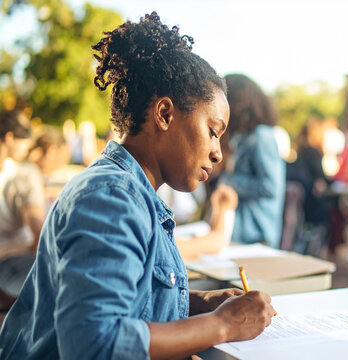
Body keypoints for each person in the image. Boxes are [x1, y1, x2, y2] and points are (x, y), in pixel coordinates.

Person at [0, 13, 275, 360]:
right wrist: (223, 326)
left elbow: (132, 296)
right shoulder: (111, 198)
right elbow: (94, 343)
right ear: (164, 114)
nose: (219, 153)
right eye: (213, 131)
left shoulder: (134, 196)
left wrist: (200, 304)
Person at [220, 74, 286, 249]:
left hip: (256, 235)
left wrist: (227, 181)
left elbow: (270, 186)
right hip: (241, 234)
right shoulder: (242, 138)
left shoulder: (262, 137)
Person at [0, 109, 46, 305]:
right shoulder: (23, 175)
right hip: (12, 267)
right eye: (24, 144)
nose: (27, 151)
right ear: (10, 138)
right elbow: (40, 240)